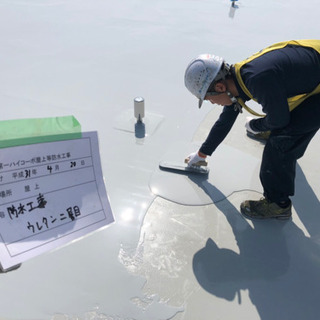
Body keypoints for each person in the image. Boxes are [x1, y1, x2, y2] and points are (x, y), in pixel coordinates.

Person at [184, 40, 320, 220]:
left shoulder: (259, 79)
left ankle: (278, 205)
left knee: (279, 143)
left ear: (220, 87)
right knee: (285, 126)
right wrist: (202, 154)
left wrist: (258, 125)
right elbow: (225, 120)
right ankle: (282, 139)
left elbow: (280, 120)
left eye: (209, 99)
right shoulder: (240, 75)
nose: (213, 103)